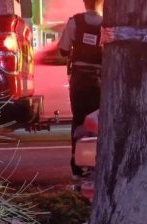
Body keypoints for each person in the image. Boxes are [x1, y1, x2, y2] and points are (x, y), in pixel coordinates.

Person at [58, 0, 103, 178]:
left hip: (79, 79)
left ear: (84, 3)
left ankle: (77, 164)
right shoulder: (107, 24)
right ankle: (96, 161)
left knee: (78, 119)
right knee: (98, 122)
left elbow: (63, 50)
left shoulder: (74, 22)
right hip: (99, 80)